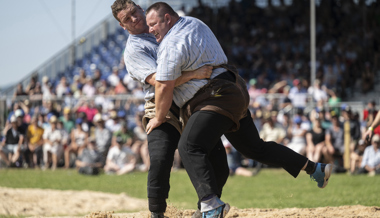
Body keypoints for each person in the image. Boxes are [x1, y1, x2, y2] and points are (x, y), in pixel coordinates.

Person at [144, 2, 331, 217]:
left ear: (167, 19)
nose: (150, 30)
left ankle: (210, 204)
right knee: (254, 148)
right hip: (234, 89)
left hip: (215, 97)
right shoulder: (194, 23)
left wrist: (159, 117)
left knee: (188, 147)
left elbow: (163, 85)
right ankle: (315, 169)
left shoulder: (171, 42)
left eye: (153, 24)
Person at [111, 1, 218, 217]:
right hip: (161, 105)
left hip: (191, 99)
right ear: (123, 26)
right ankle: (156, 212)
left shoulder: (164, 26)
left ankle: (208, 208)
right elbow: (160, 83)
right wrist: (194, 74)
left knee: (216, 159)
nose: (134, 19)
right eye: (127, 19)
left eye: (134, 12)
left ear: (141, 8)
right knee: (160, 158)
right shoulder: (134, 50)